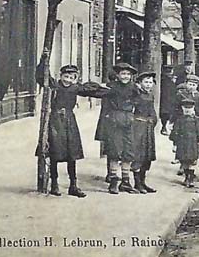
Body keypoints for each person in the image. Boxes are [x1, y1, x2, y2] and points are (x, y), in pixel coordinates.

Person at [35, 63, 108, 197]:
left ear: (75, 78)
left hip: (69, 121)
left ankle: (73, 185)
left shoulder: (75, 88)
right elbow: (41, 76)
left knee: (71, 154)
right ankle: (54, 184)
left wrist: (114, 92)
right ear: (60, 76)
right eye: (65, 76)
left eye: (71, 77)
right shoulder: (54, 86)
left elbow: (96, 92)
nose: (67, 79)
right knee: (54, 152)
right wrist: (43, 60)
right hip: (54, 121)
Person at [101, 62, 139, 194]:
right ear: (117, 75)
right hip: (115, 120)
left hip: (128, 121)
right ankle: (113, 181)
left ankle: (126, 181)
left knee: (128, 151)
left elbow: (140, 101)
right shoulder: (112, 87)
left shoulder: (135, 88)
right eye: (123, 73)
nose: (125, 76)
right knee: (114, 151)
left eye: (128, 74)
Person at [130, 71, 159, 194]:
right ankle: (137, 183)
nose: (148, 85)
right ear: (139, 83)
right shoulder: (136, 94)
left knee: (147, 155)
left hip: (148, 127)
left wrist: (153, 120)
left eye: (150, 82)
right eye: (145, 82)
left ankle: (143, 182)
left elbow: (152, 110)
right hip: (138, 127)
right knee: (138, 154)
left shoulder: (150, 95)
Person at [169, 97, 199, 188]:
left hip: (192, 144)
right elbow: (175, 132)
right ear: (182, 109)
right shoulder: (179, 120)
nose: (187, 110)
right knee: (184, 161)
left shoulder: (196, 120)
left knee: (191, 161)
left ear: (193, 109)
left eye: (190, 109)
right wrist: (175, 143)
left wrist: (198, 141)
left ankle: (190, 179)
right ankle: (186, 177)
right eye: (185, 108)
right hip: (182, 143)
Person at [159, 66, 176, 135]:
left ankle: (165, 127)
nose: (169, 74)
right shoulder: (164, 80)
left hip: (169, 99)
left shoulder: (170, 80)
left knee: (167, 114)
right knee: (165, 114)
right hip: (165, 99)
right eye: (168, 72)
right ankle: (164, 127)